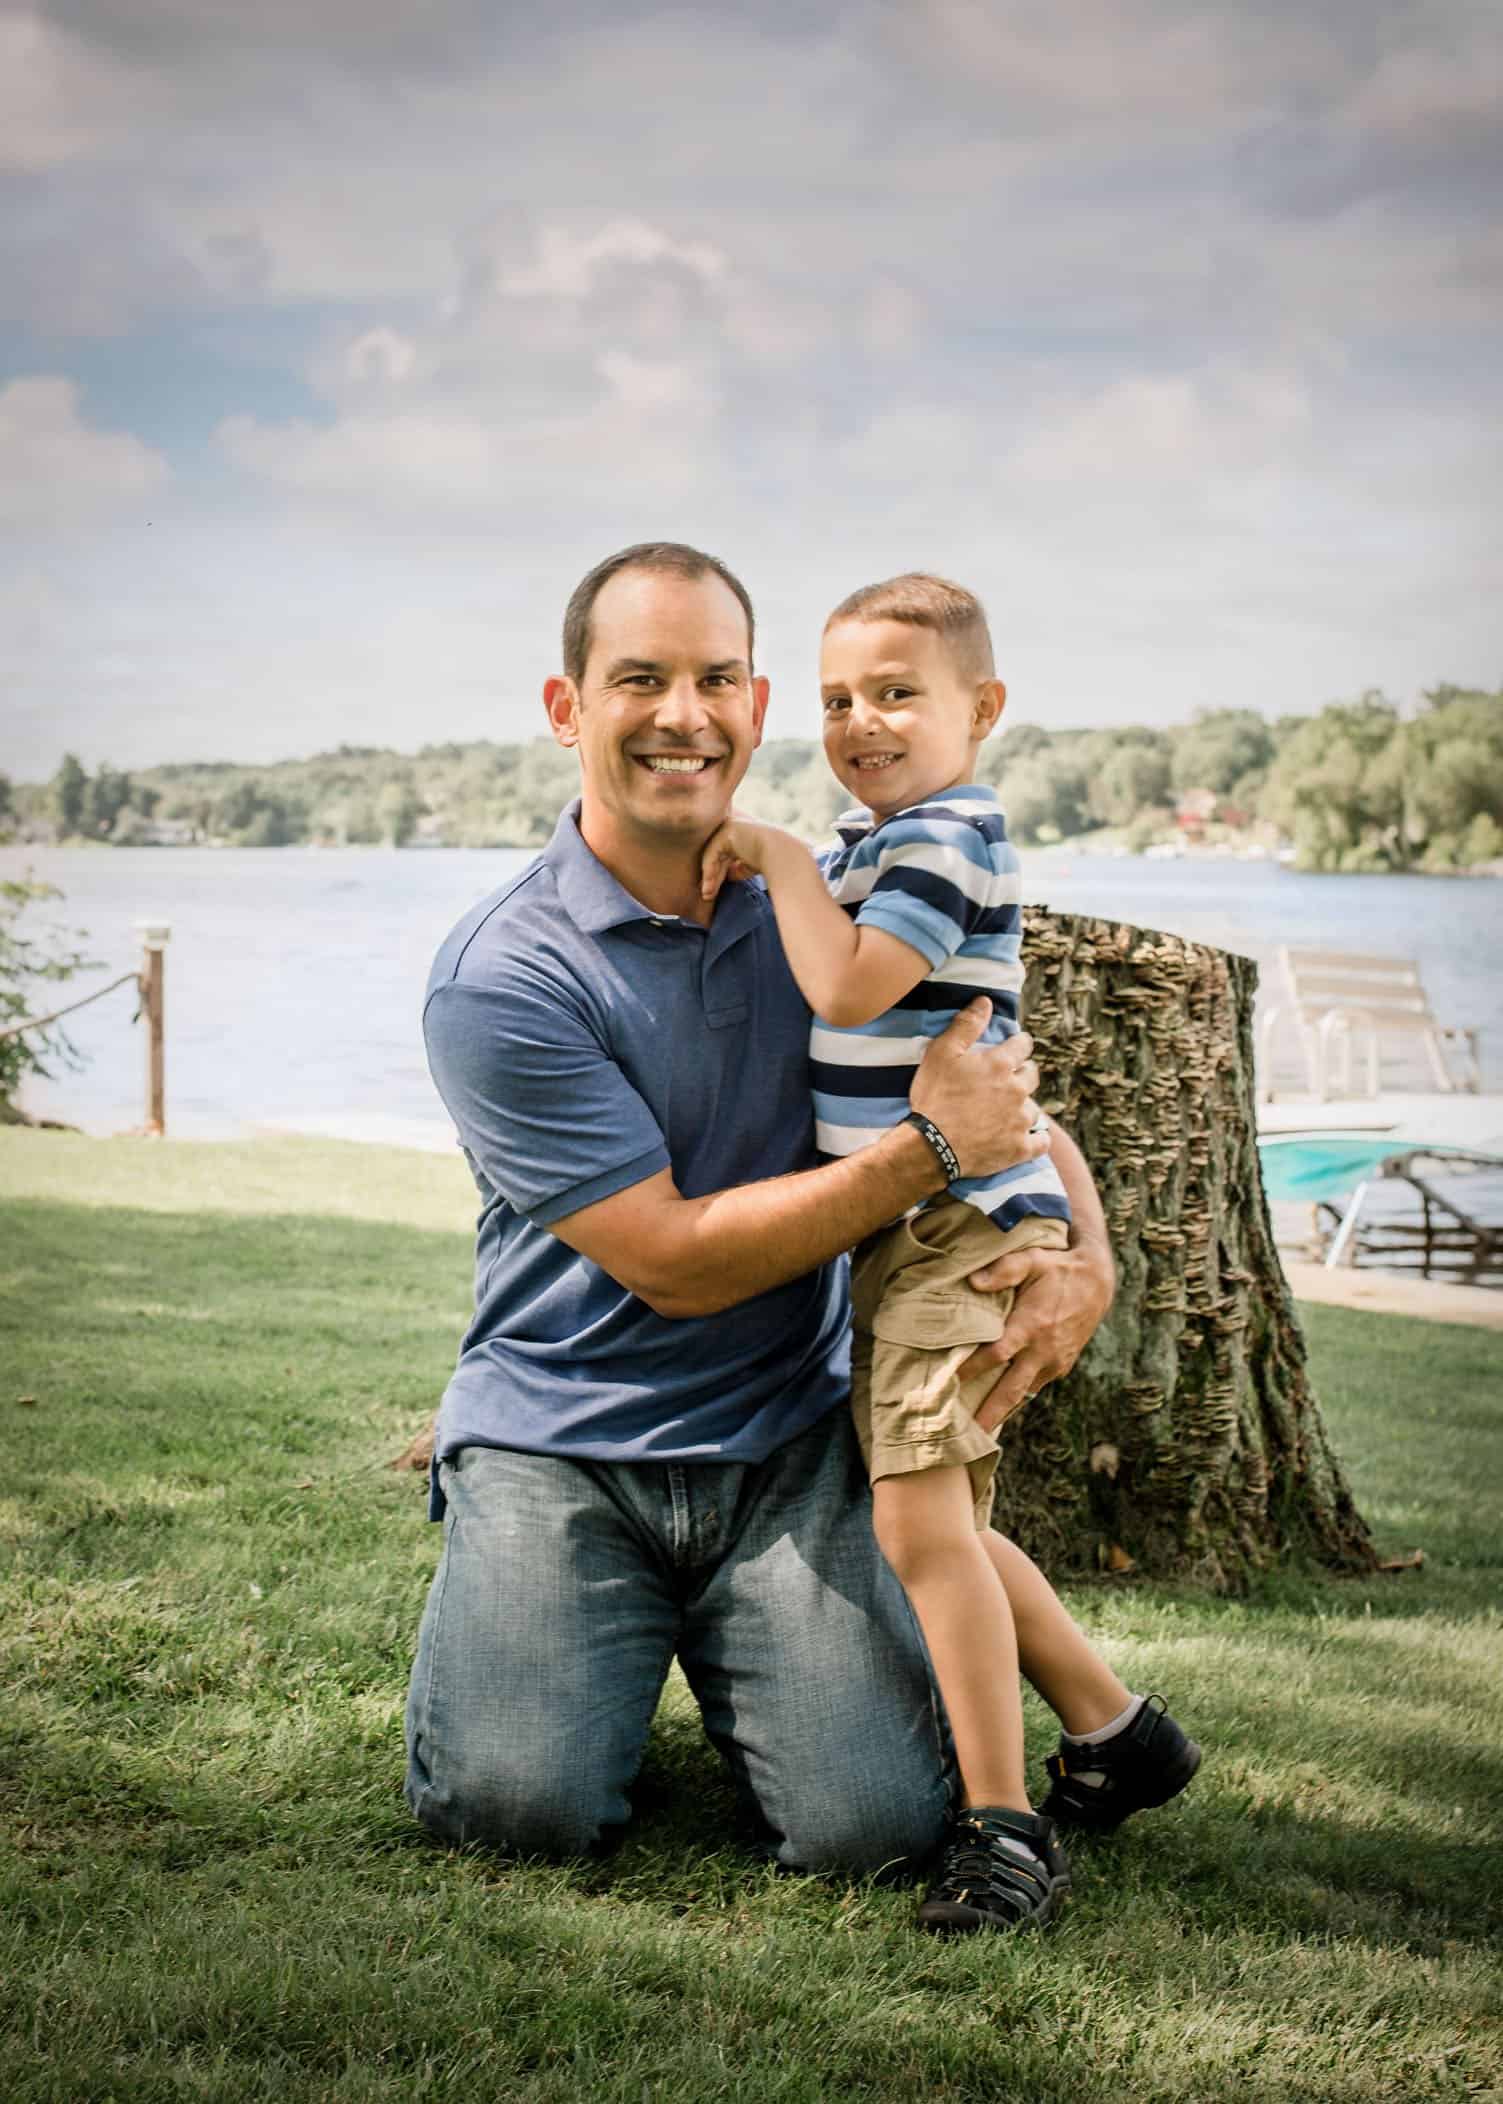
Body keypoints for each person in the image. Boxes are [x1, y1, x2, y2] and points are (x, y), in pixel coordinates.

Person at [407, 543, 1197, 1924]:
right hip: (563, 1436)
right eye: (640, 679)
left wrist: (1087, 1252)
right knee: (514, 1810)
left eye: (717, 679)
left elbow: (981, 1077)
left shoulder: (820, 909)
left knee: (872, 1827)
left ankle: (997, 1731)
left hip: (789, 1430)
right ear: (566, 707)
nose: (684, 714)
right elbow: (671, 1256)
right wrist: (932, 1154)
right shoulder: (504, 975)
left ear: (756, 705)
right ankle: (576, 1645)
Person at [696, 573, 1198, 1930]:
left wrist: (777, 855)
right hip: (913, 1229)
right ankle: (1116, 1731)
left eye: (896, 693)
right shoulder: (882, 844)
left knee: (919, 1528)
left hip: (954, 1231)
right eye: (837, 700)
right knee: (946, 1526)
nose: (861, 721)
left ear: (982, 708)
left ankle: (1003, 1829)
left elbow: (852, 984)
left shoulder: (944, 839)